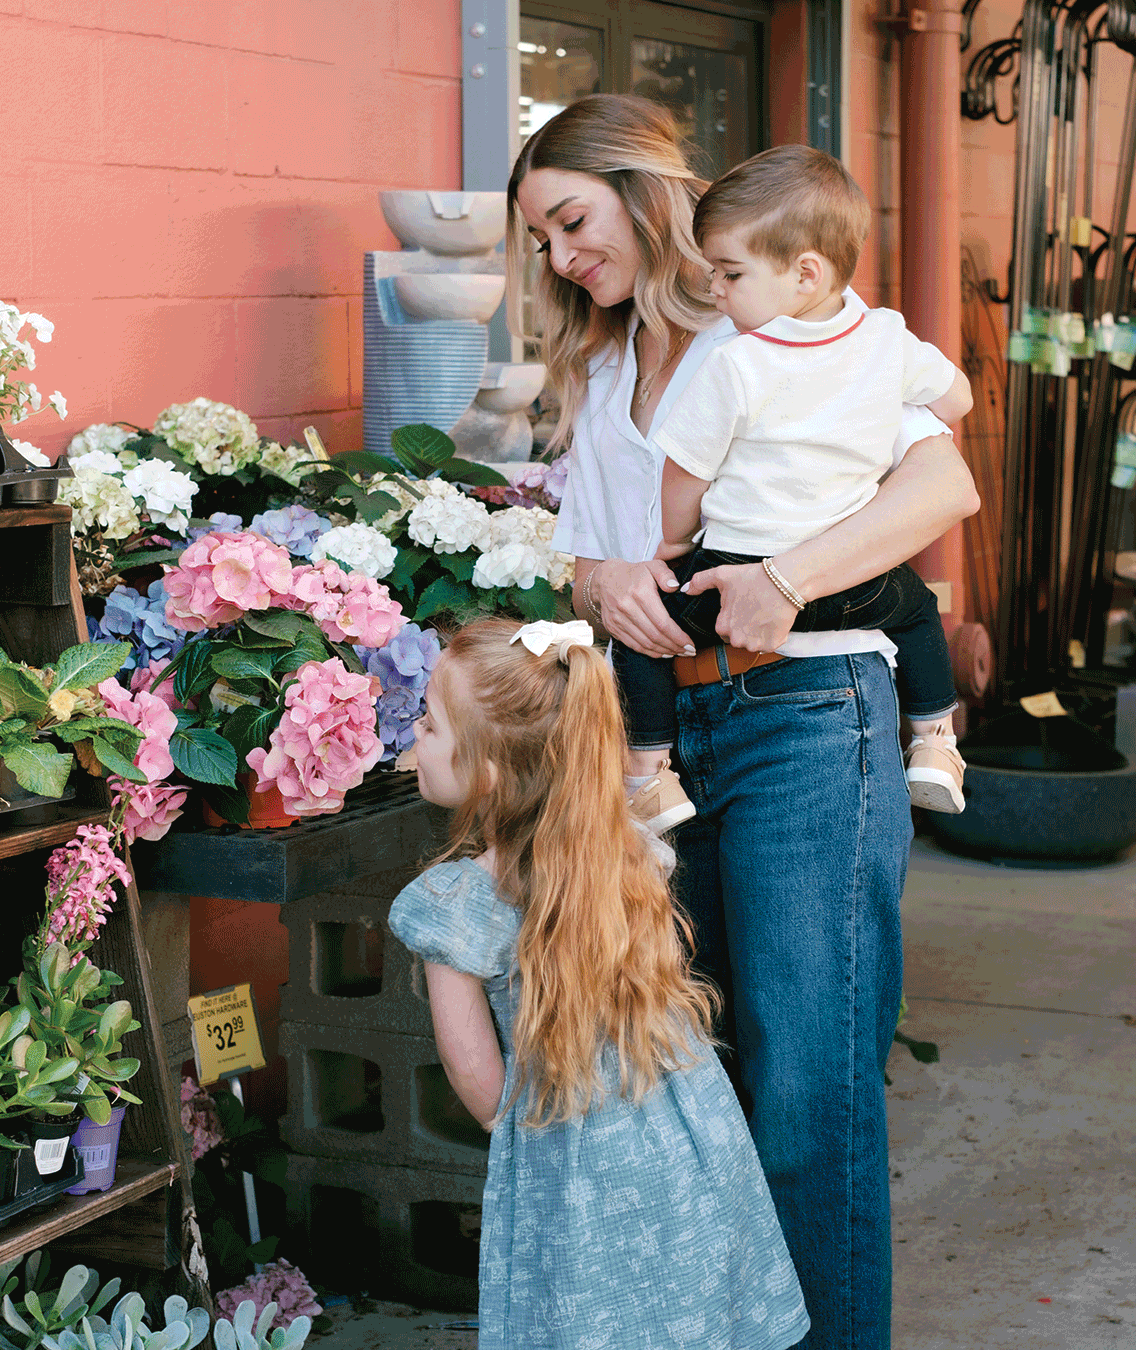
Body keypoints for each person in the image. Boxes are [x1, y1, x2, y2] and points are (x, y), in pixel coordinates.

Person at [507, 93, 980, 1350]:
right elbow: (590, 551)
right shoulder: (599, 366)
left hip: (808, 715)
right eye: (541, 242)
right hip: (657, 738)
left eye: (571, 221)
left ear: (643, 192)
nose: (560, 258)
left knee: (810, 1085)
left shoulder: (796, 320)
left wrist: (792, 577)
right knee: (692, 1085)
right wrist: (592, 581)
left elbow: (945, 478)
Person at [388, 616, 811, 1350]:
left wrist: (534, 1138)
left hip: (575, 1164)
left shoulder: (454, 906)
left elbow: (479, 1080)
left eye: (428, 721)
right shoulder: (633, 859)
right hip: (691, 1140)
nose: (413, 735)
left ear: (487, 770)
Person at [609, 144, 972, 834]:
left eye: (730, 273)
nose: (715, 289)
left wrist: (674, 540)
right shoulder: (888, 340)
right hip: (848, 584)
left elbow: (684, 469)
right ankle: (933, 743)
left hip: (731, 575)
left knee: (643, 634)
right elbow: (958, 397)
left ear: (805, 273)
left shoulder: (737, 364)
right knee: (920, 613)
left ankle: (648, 778)